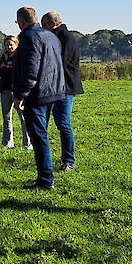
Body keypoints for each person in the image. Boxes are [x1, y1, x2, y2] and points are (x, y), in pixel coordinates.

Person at [12, 6, 65, 191]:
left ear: (22, 21)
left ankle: (45, 179)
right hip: (54, 90)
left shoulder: (27, 37)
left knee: (39, 137)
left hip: (38, 94)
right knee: (42, 134)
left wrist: (20, 95)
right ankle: (45, 176)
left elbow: (30, 69)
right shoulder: (51, 36)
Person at [41, 12, 84, 172]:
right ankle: (48, 160)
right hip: (54, 87)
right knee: (53, 123)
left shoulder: (67, 38)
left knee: (63, 123)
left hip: (65, 88)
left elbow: (60, 62)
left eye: (44, 24)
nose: (43, 28)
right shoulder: (55, 37)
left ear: (53, 24)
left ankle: (68, 160)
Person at [0, 36, 29, 149]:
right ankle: (7, 143)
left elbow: (18, 73)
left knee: (23, 117)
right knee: (6, 117)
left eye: (11, 44)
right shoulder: (4, 56)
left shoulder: (21, 57)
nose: (9, 47)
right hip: (5, 89)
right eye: (6, 45)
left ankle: (27, 143)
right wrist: (8, 69)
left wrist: (7, 69)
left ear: (16, 44)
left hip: (18, 91)